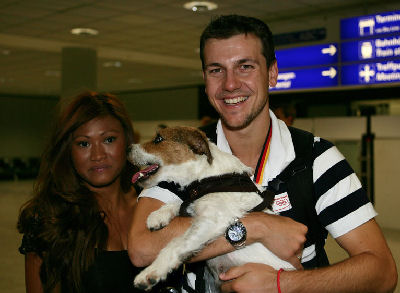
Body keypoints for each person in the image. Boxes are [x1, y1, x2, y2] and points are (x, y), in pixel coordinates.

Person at [128, 15, 397, 293]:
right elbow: (142, 247)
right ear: (205, 79)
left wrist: (281, 284)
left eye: (245, 66)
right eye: (216, 70)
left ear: (272, 73)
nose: (230, 84)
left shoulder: (317, 159)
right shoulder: (182, 151)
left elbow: (382, 272)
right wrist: (256, 227)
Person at [17, 92, 177, 293]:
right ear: (68, 150)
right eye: (84, 143)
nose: (98, 155)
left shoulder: (158, 202)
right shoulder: (50, 220)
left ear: (127, 141)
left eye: (109, 140)